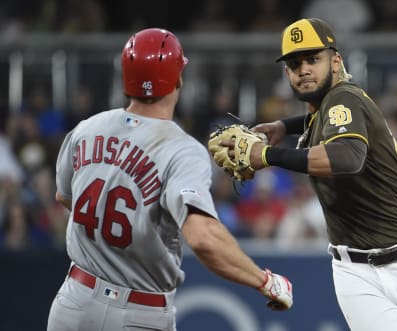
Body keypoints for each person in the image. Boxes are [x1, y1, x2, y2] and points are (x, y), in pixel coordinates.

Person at [47, 28, 292, 331]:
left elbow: (64, 197)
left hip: (74, 301)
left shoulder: (86, 129)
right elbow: (203, 239)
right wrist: (266, 282)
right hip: (138, 311)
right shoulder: (181, 150)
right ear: (177, 79)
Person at [232, 18, 397, 330]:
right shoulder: (327, 108)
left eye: (312, 59)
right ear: (287, 72)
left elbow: (347, 158)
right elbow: (321, 121)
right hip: (355, 272)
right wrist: (283, 127)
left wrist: (267, 156)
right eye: (294, 63)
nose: (303, 69)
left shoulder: (344, 97)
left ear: (335, 61)